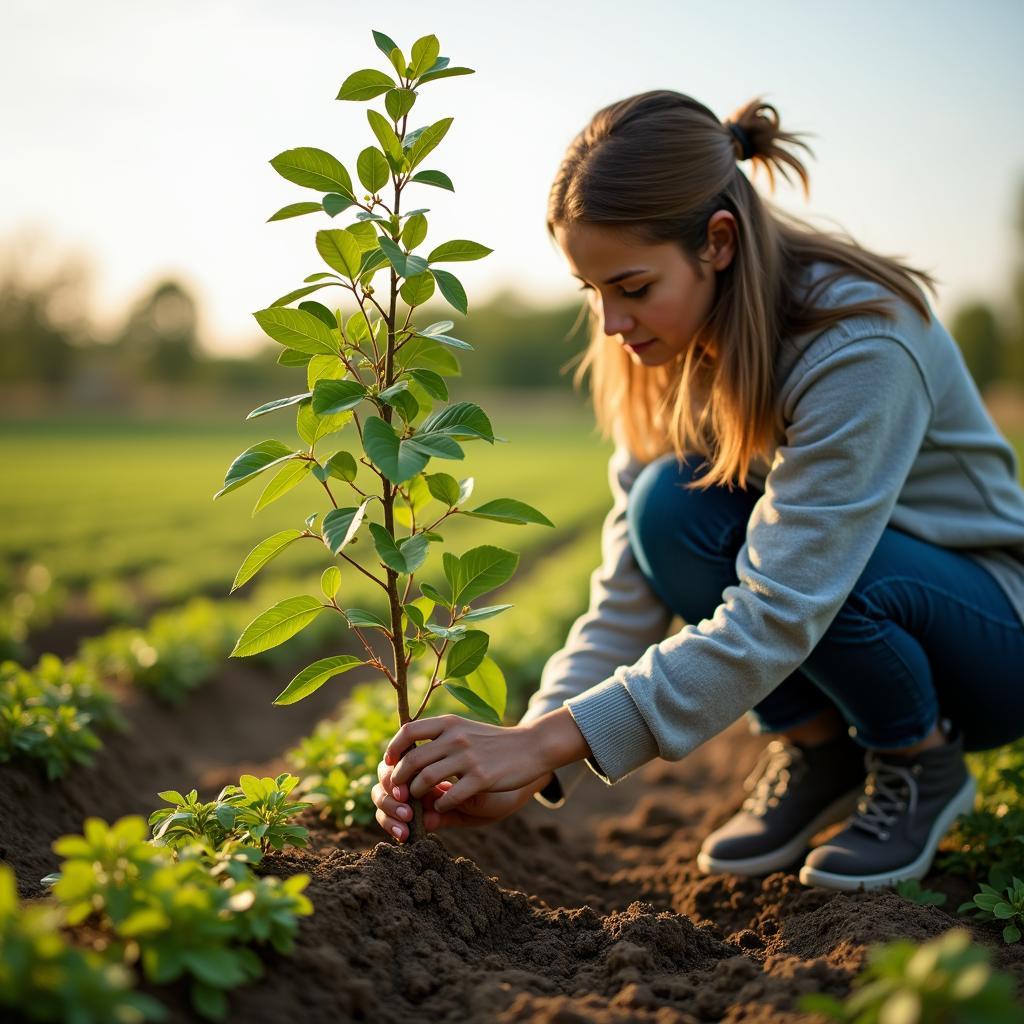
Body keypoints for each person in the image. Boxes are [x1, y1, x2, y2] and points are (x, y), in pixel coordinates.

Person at [371, 91, 1024, 892]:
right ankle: (822, 751)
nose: (611, 322)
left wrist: (551, 740)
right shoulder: (667, 345)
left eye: (632, 287)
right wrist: (532, 756)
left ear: (718, 242)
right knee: (668, 510)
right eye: (593, 291)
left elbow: (787, 601)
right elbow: (632, 583)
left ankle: (920, 763)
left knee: (817, 566)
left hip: (990, 632)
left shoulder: (860, 344)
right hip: (859, 599)